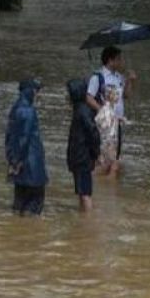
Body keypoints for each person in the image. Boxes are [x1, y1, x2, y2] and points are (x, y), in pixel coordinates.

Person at [86, 46, 136, 176]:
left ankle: (105, 185)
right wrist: (103, 111)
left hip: (117, 122)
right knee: (106, 159)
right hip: (104, 123)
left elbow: (126, 96)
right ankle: (93, 181)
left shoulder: (119, 77)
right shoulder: (98, 77)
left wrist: (130, 81)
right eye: (119, 59)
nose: (122, 62)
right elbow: (89, 98)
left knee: (114, 157)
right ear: (110, 60)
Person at [4, 79, 48, 216]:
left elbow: (9, 137)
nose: (38, 95)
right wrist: (18, 161)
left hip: (19, 165)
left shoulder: (15, 108)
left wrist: (12, 160)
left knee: (19, 203)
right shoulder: (28, 111)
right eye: (37, 91)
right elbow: (24, 138)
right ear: (31, 91)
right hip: (31, 166)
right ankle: (30, 235)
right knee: (34, 205)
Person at [67, 78, 101, 212]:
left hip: (82, 157)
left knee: (85, 193)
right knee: (82, 192)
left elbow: (93, 132)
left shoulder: (82, 111)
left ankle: (88, 221)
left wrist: (96, 153)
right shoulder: (81, 110)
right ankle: (84, 217)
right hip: (81, 156)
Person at [95, 84, 121, 170]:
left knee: (105, 166)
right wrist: (110, 148)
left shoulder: (107, 109)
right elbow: (107, 132)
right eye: (116, 94)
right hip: (108, 144)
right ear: (109, 96)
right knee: (110, 167)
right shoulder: (107, 111)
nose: (118, 96)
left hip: (105, 144)